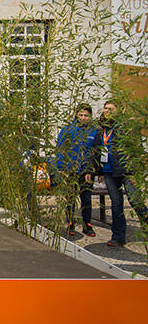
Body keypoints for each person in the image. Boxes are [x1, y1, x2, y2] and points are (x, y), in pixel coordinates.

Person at [92, 101, 148, 247]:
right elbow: (97, 151)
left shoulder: (128, 127)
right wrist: (98, 171)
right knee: (116, 204)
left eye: (110, 109)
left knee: (135, 201)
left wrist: (135, 173)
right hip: (109, 171)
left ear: (119, 110)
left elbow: (136, 151)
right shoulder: (101, 129)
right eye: (105, 108)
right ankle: (118, 236)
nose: (106, 111)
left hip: (127, 172)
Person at [53, 104, 97, 237]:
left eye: (86, 116)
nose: (83, 118)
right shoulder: (68, 130)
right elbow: (61, 149)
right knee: (71, 197)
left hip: (87, 171)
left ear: (90, 117)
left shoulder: (94, 131)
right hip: (70, 169)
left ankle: (87, 224)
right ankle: (70, 222)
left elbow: (96, 152)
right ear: (76, 115)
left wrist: (94, 170)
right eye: (81, 115)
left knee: (86, 198)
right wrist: (61, 168)